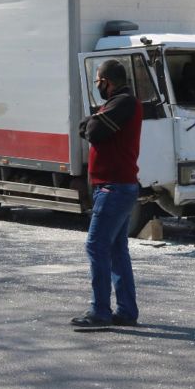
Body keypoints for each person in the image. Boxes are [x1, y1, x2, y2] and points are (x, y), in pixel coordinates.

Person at [72, 59, 142, 329]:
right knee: (115, 249)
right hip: (116, 186)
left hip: (114, 187)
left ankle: (100, 311)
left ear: (107, 81)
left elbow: (92, 130)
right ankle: (126, 311)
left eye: (98, 81)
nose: (97, 86)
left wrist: (93, 121)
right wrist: (92, 122)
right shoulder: (118, 103)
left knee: (96, 245)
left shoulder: (123, 102)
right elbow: (88, 127)